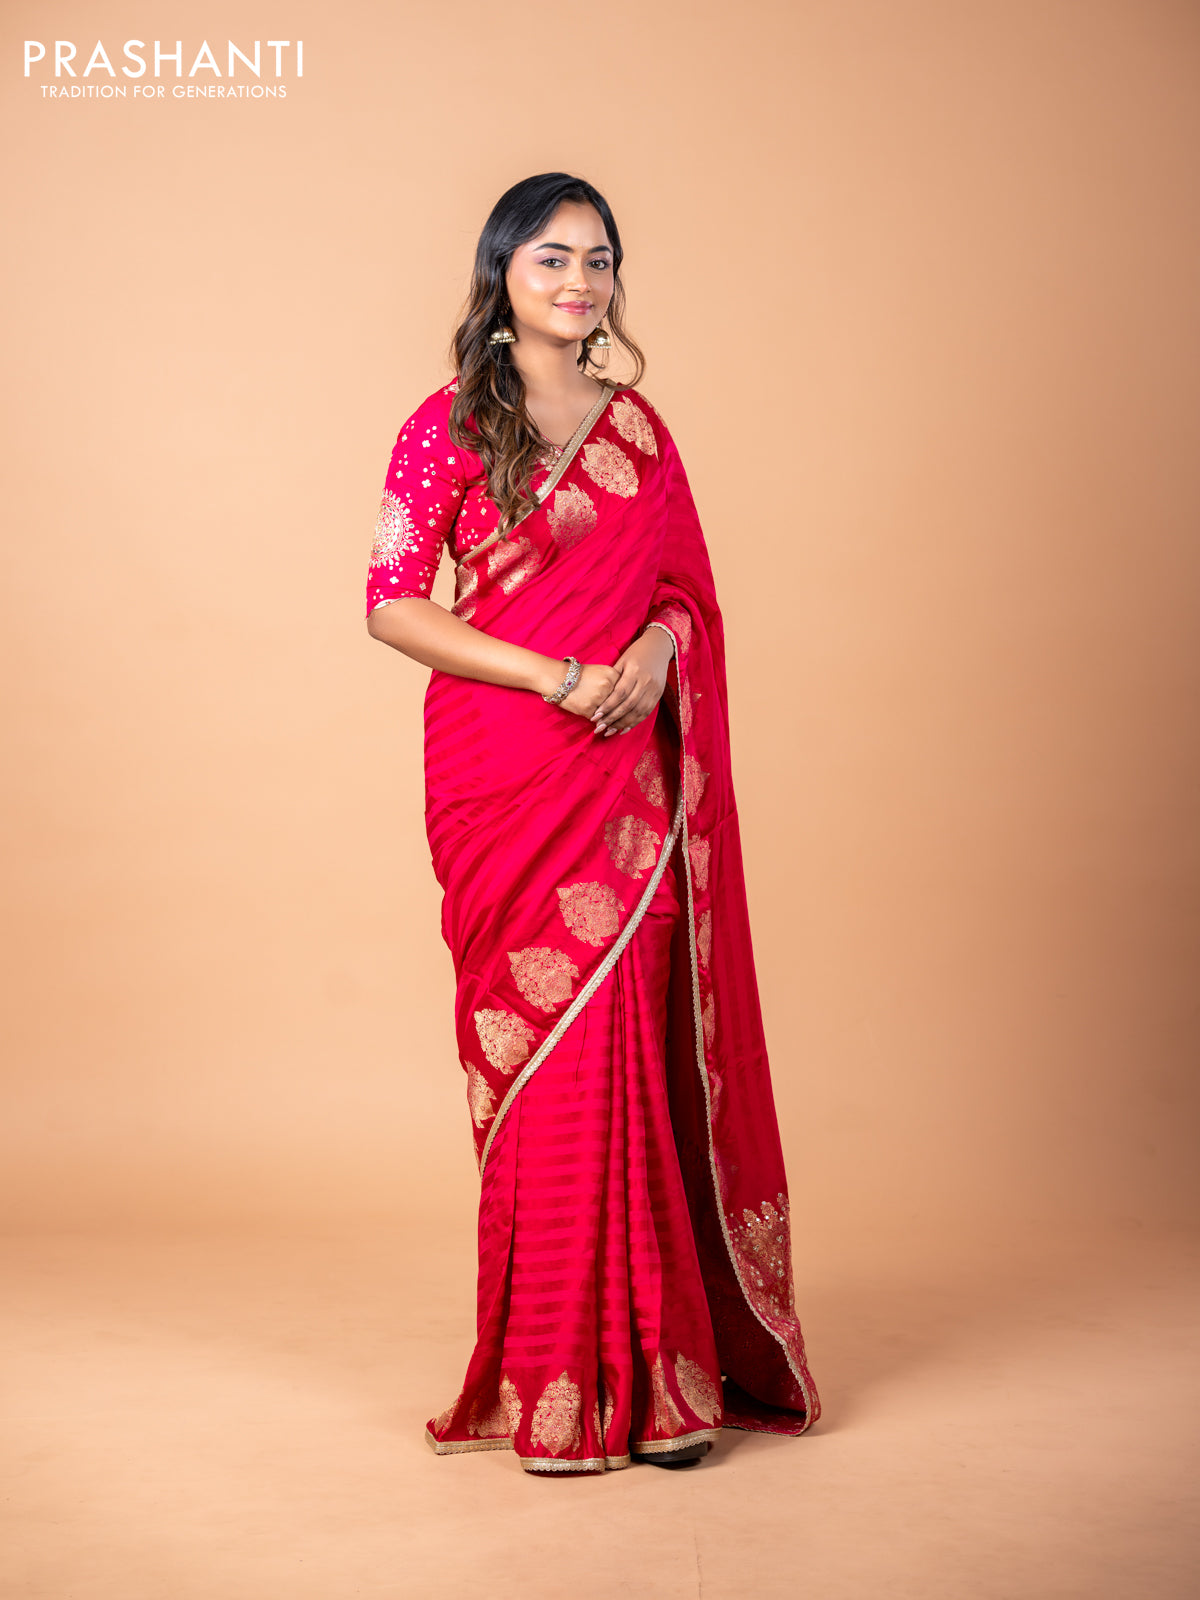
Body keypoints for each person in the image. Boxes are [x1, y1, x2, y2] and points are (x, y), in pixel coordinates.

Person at [364, 172, 819, 1475]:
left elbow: (687, 595)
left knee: (635, 1046)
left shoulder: (640, 434)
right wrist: (555, 675)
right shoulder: (448, 425)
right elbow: (393, 603)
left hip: (629, 773)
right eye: (552, 258)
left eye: (598, 259)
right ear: (502, 274)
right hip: (505, 768)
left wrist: (660, 655)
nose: (578, 281)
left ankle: (665, 1382)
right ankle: (557, 1381)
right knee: (549, 1065)